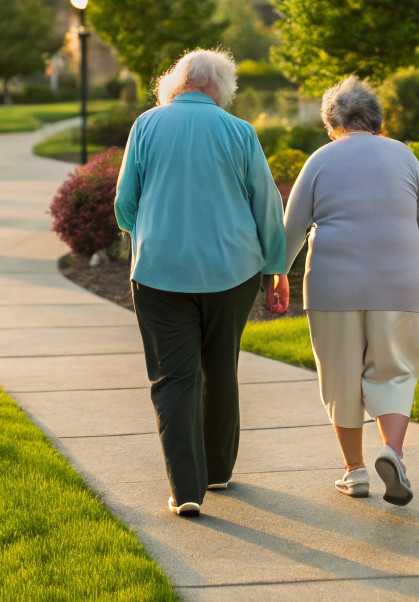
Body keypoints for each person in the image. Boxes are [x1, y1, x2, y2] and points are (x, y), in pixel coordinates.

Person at [115, 49, 288, 517]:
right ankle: (217, 470)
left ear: (175, 83)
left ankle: (187, 490)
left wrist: (150, 230)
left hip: (160, 272)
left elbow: (124, 205)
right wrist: (278, 268)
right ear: (220, 88)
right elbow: (267, 206)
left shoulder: (147, 125)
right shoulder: (240, 132)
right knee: (220, 367)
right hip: (232, 273)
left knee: (174, 379)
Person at [282, 76, 419, 505]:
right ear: (377, 122)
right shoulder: (402, 155)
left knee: (340, 376)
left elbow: (292, 228)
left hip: (333, 285)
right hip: (398, 282)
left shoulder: (320, 159)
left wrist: (276, 274)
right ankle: (392, 452)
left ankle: (354, 472)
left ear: (331, 124)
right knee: (394, 370)